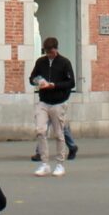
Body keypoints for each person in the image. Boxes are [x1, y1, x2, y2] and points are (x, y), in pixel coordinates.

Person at [28, 36, 74, 177]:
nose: (49, 55)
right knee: (40, 131)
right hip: (43, 101)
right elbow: (32, 78)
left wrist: (54, 85)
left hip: (59, 102)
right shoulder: (40, 62)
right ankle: (44, 163)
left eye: (52, 52)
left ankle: (60, 163)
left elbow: (71, 83)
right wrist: (38, 81)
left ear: (56, 49)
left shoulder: (65, 63)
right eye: (47, 52)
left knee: (59, 134)